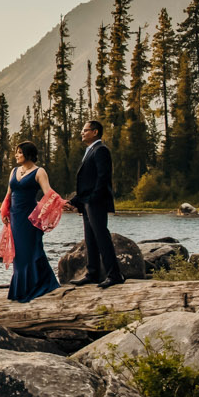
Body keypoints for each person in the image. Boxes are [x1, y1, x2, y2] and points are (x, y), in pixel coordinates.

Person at [0, 141, 64, 302]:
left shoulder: (39, 172)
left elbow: (48, 193)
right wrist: (4, 211)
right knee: (19, 253)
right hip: (15, 217)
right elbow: (9, 193)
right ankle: (20, 289)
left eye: (19, 152)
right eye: (16, 152)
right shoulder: (14, 171)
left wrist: (61, 202)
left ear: (28, 154)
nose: (16, 155)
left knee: (32, 250)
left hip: (30, 218)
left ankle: (38, 285)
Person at [69, 119, 122, 285]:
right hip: (86, 202)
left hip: (96, 202)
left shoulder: (101, 150)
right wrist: (75, 200)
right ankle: (92, 273)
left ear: (95, 132)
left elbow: (102, 177)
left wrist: (93, 199)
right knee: (90, 238)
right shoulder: (89, 150)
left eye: (85, 130)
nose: (82, 133)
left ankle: (114, 276)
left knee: (102, 237)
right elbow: (87, 181)